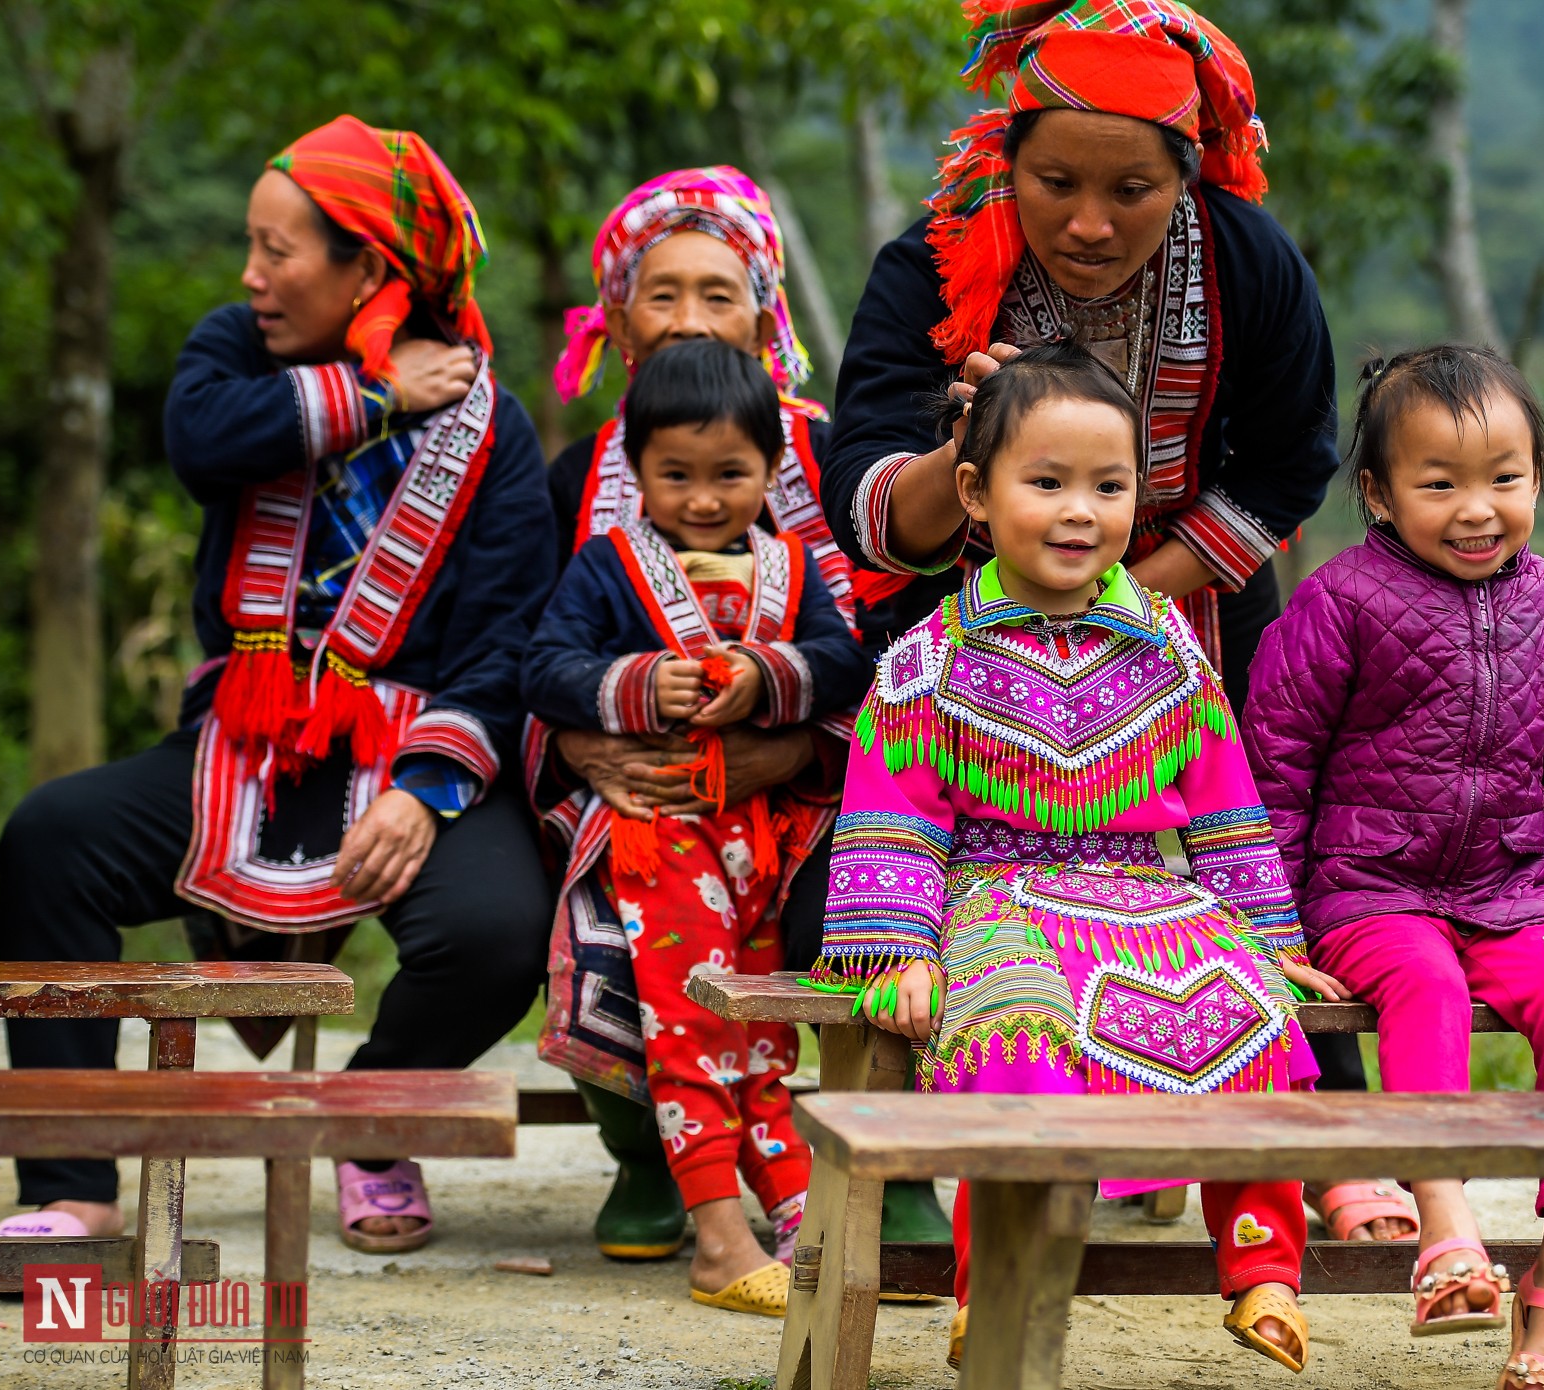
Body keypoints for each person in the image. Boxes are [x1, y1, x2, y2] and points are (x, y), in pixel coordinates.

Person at [820, 0, 1408, 1240]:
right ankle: (919, 1166)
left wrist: (1136, 591)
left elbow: (1293, 458)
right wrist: (958, 450)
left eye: (1131, 189)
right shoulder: (925, 267)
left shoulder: (1248, 260)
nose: (1089, 223)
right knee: (898, 842)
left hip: (1186, 584)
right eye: (1055, 183)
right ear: (1003, 158)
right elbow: (866, 502)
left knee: (1260, 830)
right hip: (970, 614)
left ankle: (1319, 1138)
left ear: (1184, 180)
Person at [0, 115, 556, 1255]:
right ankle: (73, 1182)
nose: (250, 276)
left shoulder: (490, 427)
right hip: (241, 739)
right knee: (50, 841)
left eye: (278, 251)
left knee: (500, 931)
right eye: (250, 246)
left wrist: (425, 790)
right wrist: (373, 396)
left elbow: (501, 643)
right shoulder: (240, 356)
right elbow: (200, 440)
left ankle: (366, 1120)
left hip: (405, 746)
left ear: (369, 270)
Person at [818, 342, 1345, 1374]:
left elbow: (1223, 801)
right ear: (974, 492)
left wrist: (1269, 937)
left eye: (1106, 486)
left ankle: (1262, 1268)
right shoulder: (932, 657)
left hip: (1150, 896)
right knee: (1009, 1038)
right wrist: (898, 951)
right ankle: (994, 1289)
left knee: (1243, 1010)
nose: (1077, 511)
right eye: (1045, 482)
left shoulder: (1167, 648)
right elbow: (895, 814)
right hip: (992, 897)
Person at [537, 165, 946, 1260]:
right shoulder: (583, 475)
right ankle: (655, 1159)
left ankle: (885, 1161)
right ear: (619, 313)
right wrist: (591, 736)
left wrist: (785, 729)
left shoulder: (824, 455)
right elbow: (535, 652)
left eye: (716, 292)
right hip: (644, 792)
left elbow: (889, 652)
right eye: (658, 292)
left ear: (764, 309)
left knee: (865, 900)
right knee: (610, 922)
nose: (686, 319)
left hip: (823, 786)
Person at [1244, 345, 1544, 1390]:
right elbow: (1277, 767)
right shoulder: (1338, 603)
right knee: (1422, 986)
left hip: (1511, 890)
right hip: (1367, 891)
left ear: (1536, 477)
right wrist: (1274, 925)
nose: (1477, 508)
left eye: (1503, 479)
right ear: (1379, 494)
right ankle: (1446, 1228)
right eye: (1439, 484)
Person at [524, 340, 871, 1317]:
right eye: (676, 474)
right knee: (691, 1020)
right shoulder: (606, 566)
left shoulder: (794, 567)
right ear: (636, 471)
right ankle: (718, 1229)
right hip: (657, 829)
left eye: (732, 473)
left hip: (764, 836)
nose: (706, 497)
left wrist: (769, 679)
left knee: (759, 1025)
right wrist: (633, 684)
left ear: (773, 469)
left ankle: (799, 1210)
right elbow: (544, 666)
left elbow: (842, 665)